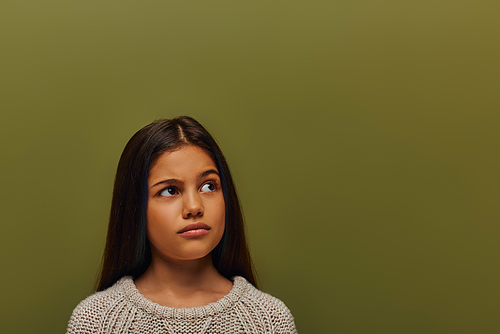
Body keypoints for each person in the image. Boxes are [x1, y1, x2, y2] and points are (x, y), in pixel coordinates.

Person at [66, 116, 297, 333]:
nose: (194, 206)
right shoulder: (96, 321)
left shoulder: (268, 319)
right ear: (136, 208)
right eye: (170, 191)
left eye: (208, 186)